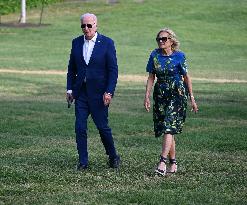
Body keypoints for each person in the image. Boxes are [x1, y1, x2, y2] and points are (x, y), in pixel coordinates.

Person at [66, 13, 120, 171]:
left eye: (89, 25)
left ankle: (113, 156)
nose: (86, 28)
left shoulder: (107, 43)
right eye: (83, 25)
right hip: (81, 93)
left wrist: (109, 91)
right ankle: (83, 161)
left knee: (103, 127)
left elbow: (113, 70)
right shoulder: (76, 42)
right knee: (80, 127)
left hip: (99, 94)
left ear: (96, 25)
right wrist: (70, 89)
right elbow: (71, 69)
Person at [144, 28, 198, 176]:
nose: (161, 41)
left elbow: (186, 77)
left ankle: (162, 162)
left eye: (164, 39)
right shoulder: (154, 55)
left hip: (177, 94)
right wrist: (147, 96)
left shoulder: (180, 56)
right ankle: (173, 163)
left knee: (169, 127)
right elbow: (151, 76)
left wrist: (192, 98)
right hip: (161, 94)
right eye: (159, 39)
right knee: (168, 128)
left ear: (172, 41)